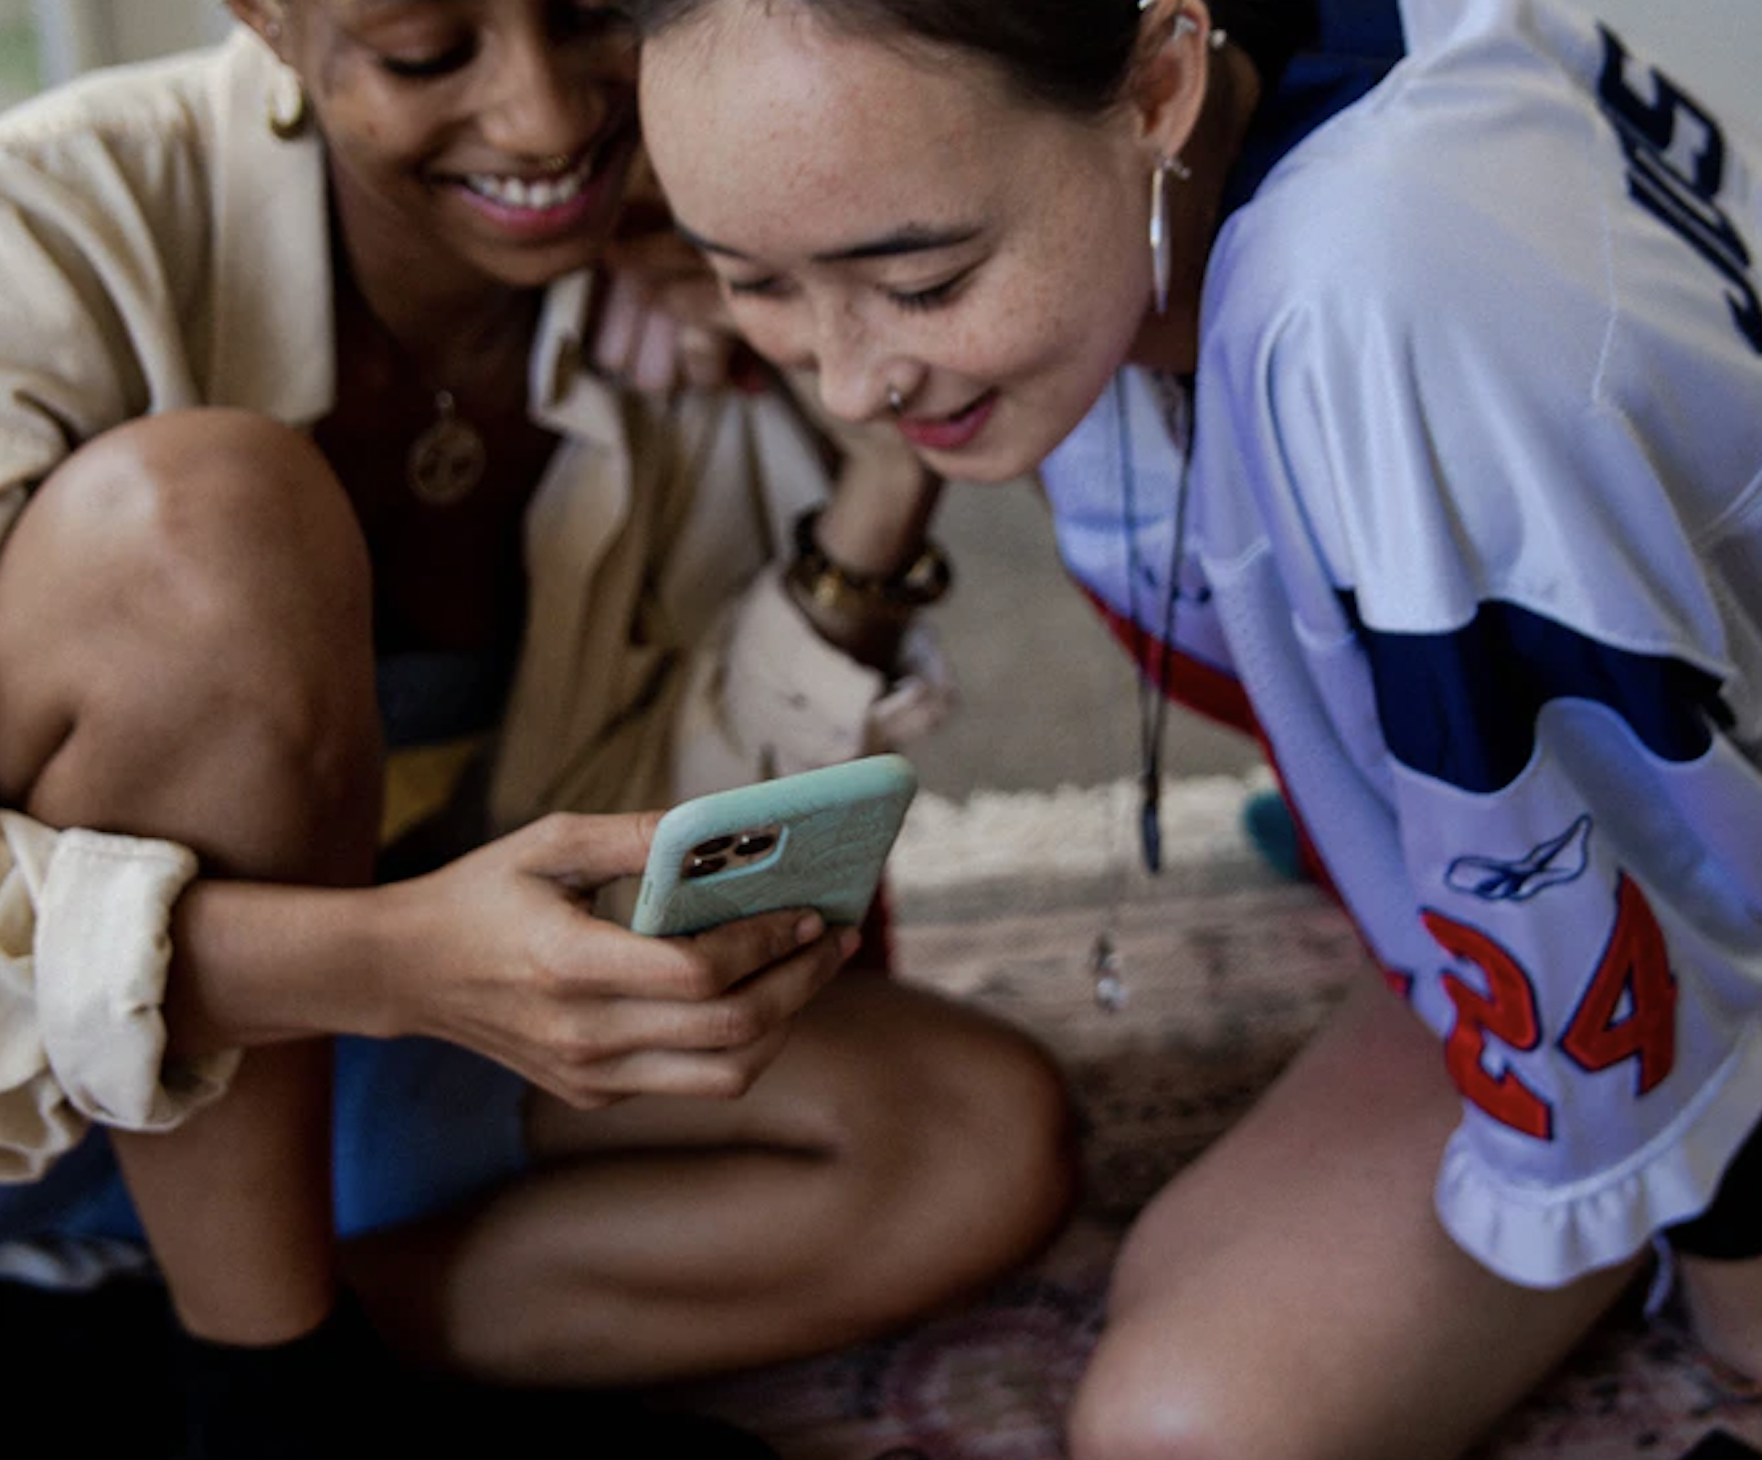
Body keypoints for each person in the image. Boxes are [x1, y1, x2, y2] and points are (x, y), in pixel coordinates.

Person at [627, 0, 1762, 1454]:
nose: (852, 379)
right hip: (1553, 834)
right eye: (755, 281)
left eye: (919, 280)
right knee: (1178, 1302)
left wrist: (1732, 1285)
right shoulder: (1174, 109)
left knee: (1191, 1430)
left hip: (1686, 904)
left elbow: (1617, 883)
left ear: (1157, 83)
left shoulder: (1369, 297)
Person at [0, 2, 1078, 1454]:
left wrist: (862, 429)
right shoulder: (44, 237)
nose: (548, 122)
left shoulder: (701, 258)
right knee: (204, 520)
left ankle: (173, 1369)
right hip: (40, 1103)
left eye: (593, 19)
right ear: (264, 17)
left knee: (971, 1143)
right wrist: (387, 964)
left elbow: (650, 850)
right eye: (428, 51)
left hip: (343, 1088)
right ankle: (266, 1388)